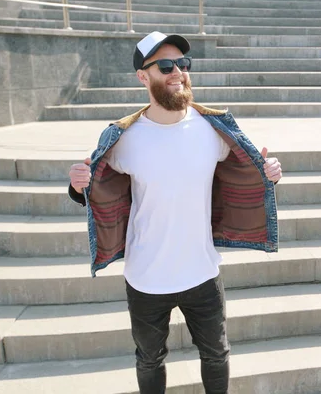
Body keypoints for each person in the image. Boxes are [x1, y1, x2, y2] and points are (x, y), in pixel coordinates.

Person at [67, 31, 282, 394]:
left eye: (183, 64)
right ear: (143, 76)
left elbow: (247, 171)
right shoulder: (123, 138)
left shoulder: (212, 129)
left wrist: (270, 174)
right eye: (165, 65)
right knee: (149, 358)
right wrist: (76, 185)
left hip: (202, 272)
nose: (177, 72)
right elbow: (95, 183)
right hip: (146, 276)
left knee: (217, 353)